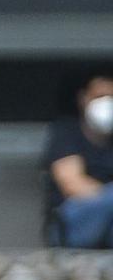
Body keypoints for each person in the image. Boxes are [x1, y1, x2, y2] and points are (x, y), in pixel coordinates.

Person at [45, 73, 113, 249]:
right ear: (83, 98)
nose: (107, 103)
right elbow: (72, 184)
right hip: (74, 222)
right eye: (99, 97)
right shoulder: (67, 133)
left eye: (111, 97)